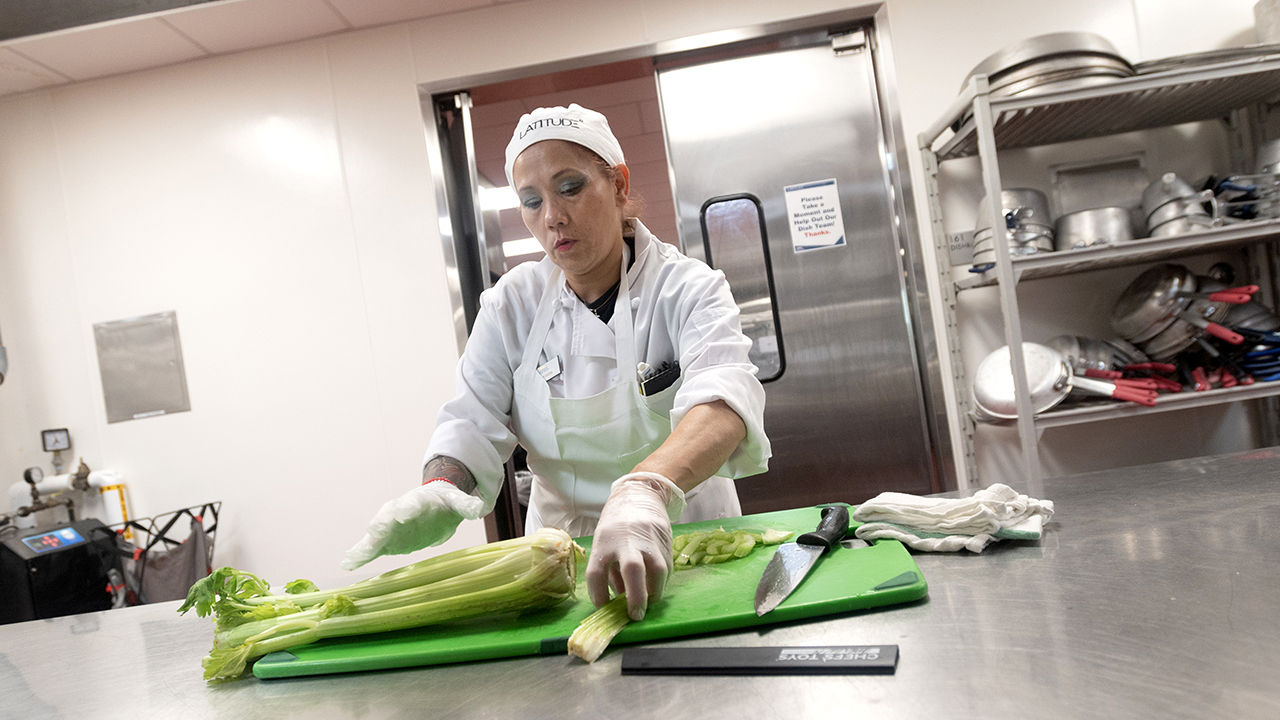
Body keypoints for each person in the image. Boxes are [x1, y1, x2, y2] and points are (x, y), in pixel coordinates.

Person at [342, 104, 770, 621]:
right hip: (556, 567)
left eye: (569, 187)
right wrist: (441, 488)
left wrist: (644, 492)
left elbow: (721, 401)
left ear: (617, 185)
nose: (552, 217)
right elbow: (470, 422)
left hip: (683, 543)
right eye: (530, 201)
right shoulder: (510, 306)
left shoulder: (688, 289)